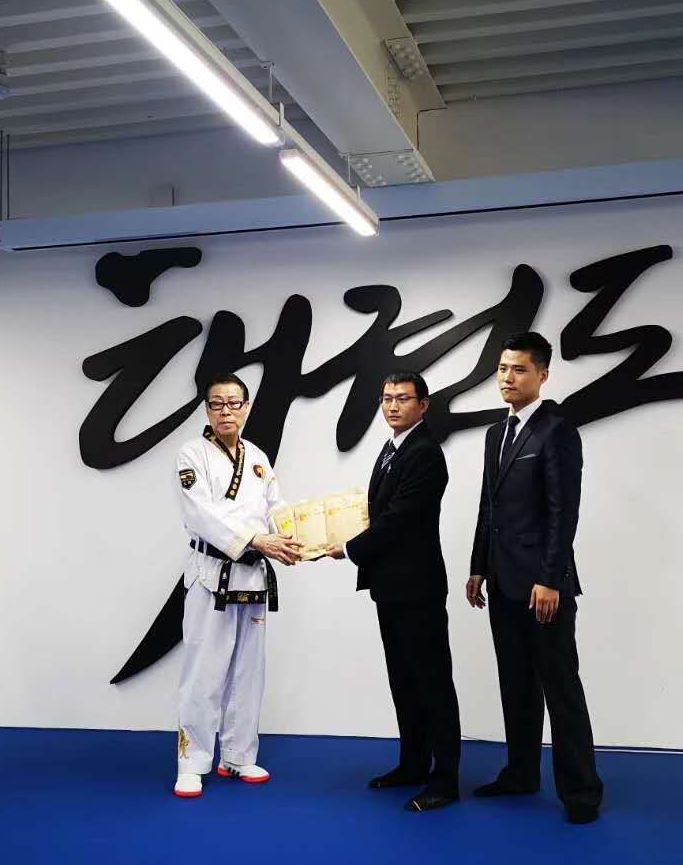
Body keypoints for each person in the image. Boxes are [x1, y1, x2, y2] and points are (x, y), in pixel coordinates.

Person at [466, 332, 604, 824]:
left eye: (519, 369)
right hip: (502, 580)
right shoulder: (495, 434)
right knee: (516, 685)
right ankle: (520, 773)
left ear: (542, 376)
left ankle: (582, 792)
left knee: (560, 688)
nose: (508, 378)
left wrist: (550, 579)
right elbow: (489, 506)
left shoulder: (557, 430)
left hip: (544, 586)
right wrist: (478, 566)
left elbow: (563, 513)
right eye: (503, 369)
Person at [331, 372, 460, 812]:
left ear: (423, 405)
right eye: (386, 398)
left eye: (402, 399)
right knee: (403, 680)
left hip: (418, 586)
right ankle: (413, 763)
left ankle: (445, 779)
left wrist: (348, 548)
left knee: (432, 681)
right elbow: (375, 512)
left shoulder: (425, 453)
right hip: (390, 585)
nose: (392, 406)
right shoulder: (391, 448)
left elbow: (400, 519)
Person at [172, 373, 301, 798]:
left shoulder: (258, 457)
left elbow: (276, 508)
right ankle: (192, 762)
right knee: (203, 672)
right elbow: (201, 515)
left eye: (234, 403)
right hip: (212, 575)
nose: (226, 411)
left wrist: (299, 536)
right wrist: (256, 540)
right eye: (217, 404)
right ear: (207, 409)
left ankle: (238, 755)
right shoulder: (191, 455)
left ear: (247, 408)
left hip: (253, 576)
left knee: (249, 671)